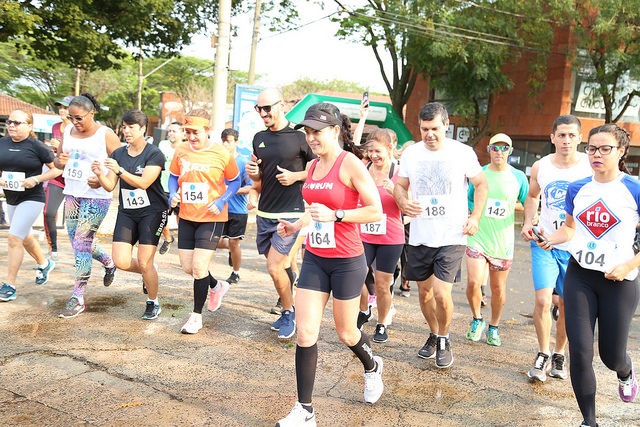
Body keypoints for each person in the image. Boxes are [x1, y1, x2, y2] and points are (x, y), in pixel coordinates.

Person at [275, 103, 384, 426]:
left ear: (335, 131)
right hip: (316, 259)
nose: (311, 138)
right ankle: (305, 410)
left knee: (347, 332)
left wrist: (339, 215)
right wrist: (297, 225)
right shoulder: (311, 167)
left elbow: (375, 210)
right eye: (307, 132)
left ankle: (372, 366)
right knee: (305, 332)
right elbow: (317, 211)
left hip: (348, 261)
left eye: (317, 132)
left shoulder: (350, 164)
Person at [535, 124, 639, 427]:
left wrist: (629, 266)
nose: (597, 154)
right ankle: (589, 421)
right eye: (592, 148)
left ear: (620, 152)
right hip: (580, 275)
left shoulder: (633, 188)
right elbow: (569, 228)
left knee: (610, 356)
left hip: (619, 282)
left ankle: (626, 371)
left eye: (605, 149)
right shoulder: (577, 188)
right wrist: (548, 238)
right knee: (580, 352)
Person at [393, 102, 488, 369]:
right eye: (424, 129)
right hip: (421, 234)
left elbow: (481, 184)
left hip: (452, 233)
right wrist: (402, 202)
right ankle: (434, 333)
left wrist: (475, 217)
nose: (429, 134)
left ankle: (445, 338)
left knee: (440, 292)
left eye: (435, 128)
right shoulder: (411, 154)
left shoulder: (463, 153)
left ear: (446, 125)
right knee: (424, 294)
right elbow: (400, 186)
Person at [520, 114, 592, 382]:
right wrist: (529, 221)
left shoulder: (589, 167)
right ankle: (543, 353)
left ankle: (559, 353)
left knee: (565, 305)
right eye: (561, 135)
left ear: (580, 138)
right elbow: (532, 197)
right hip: (545, 243)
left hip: (575, 246)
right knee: (542, 300)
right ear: (552, 138)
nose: (566, 140)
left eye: (572, 135)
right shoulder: (541, 166)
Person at [245, 87, 315, 339]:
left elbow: (319, 169)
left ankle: (290, 311)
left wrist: (295, 176)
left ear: (281, 105)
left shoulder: (300, 136)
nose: (263, 113)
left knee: (274, 267)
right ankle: (290, 284)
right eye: (259, 109)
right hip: (265, 214)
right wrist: (253, 172)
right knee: (277, 266)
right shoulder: (258, 138)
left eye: (267, 108)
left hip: (291, 213)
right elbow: (258, 178)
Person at [168, 110, 240, 334]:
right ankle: (217, 286)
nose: (191, 137)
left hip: (212, 217)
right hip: (187, 216)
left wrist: (222, 201)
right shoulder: (180, 151)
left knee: (199, 267)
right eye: (187, 132)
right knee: (188, 267)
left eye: (195, 132)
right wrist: (172, 194)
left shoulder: (221, 154)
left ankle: (196, 317)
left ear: (207, 130)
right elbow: (172, 176)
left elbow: (235, 181)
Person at [91, 110, 167, 320]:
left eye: (131, 127)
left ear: (143, 129)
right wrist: (99, 174)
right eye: (124, 127)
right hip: (127, 212)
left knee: (144, 261)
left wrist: (119, 171)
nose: (126, 131)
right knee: (121, 261)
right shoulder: (118, 154)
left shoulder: (154, 154)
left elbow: (143, 183)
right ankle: (149, 271)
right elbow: (109, 186)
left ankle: (153, 302)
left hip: (152, 212)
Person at [53, 93, 120, 318]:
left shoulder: (105, 134)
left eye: (79, 118)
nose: (75, 122)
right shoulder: (68, 132)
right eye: (71, 118)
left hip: (96, 195)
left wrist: (103, 177)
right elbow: (58, 160)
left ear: (91, 113)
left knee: (82, 242)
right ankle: (109, 262)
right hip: (72, 193)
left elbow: (120, 162)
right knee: (77, 242)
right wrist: (58, 161)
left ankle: (78, 297)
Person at [464, 133, 528, 346]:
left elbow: (528, 201)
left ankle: (494, 326)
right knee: (473, 281)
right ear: (489, 150)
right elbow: (469, 197)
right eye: (495, 148)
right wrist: (474, 214)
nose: (499, 152)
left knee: (498, 288)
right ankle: (476, 319)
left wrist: (529, 221)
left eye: (504, 148)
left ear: (510, 151)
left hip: (503, 241)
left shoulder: (518, 177)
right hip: (478, 236)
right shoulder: (479, 173)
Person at [0, 110, 60, 303]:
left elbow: (57, 169)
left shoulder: (37, 146)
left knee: (13, 238)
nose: (11, 126)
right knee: (24, 236)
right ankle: (44, 263)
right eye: (10, 122)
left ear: (29, 126)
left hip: (32, 197)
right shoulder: (2, 144)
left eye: (17, 123)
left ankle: (10, 285)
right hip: (11, 198)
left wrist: (36, 179)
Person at [357, 129, 404, 343]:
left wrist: (395, 190)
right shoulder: (364, 169)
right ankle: (364, 309)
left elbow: (408, 204)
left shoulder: (399, 172)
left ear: (390, 149)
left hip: (390, 236)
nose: (374, 155)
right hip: (364, 232)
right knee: (356, 275)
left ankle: (383, 322)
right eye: (371, 151)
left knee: (383, 284)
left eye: (378, 151)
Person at [217, 128, 253, 284]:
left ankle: (236, 272)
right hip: (219, 208)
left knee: (233, 242)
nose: (226, 144)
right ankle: (232, 250)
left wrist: (231, 190)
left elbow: (251, 187)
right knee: (214, 241)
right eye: (223, 140)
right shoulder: (217, 161)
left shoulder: (243, 162)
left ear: (236, 142)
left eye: (229, 141)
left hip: (238, 210)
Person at [43, 96, 73, 261]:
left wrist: (60, 146)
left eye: (65, 107)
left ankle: (84, 251)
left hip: (74, 176)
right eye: (60, 107)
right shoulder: (55, 127)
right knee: (48, 211)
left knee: (73, 219)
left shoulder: (77, 128)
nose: (62, 110)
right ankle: (52, 248)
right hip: (57, 173)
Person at [157, 121, 183, 254]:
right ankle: (168, 238)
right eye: (169, 131)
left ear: (182, 133)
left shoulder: (186, 148)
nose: (171, 133)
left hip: (181, 190)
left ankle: (185, 249)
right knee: (159, 217)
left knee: (182, 222)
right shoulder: (162, 145)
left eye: (174, 131)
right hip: (162, 187)